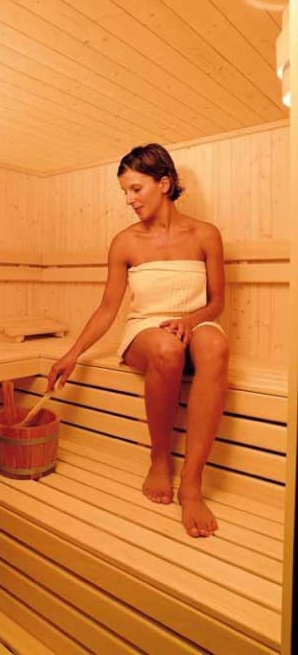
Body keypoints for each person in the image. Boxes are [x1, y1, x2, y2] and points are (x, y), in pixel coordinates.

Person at [47, 143, 229, 538]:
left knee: (216, 347)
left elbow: (217, 303)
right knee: (167, 349)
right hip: (146, 331)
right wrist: (72, 353)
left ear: (164, 183)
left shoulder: (205, 235)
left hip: (195, 323)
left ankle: (192, 483)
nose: (128, 200)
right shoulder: (125, 242)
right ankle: (160, 458)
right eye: (125, 192)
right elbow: (108, 308)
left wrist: (191, 320)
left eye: (135, 189)